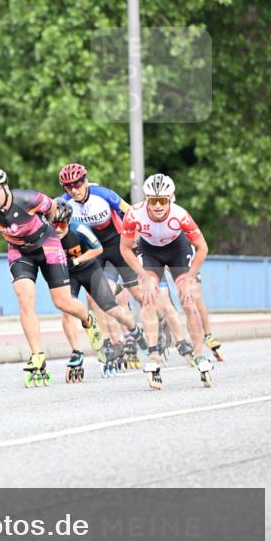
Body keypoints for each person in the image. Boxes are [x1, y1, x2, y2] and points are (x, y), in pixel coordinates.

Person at [0, 167, 101, 387]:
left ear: (5, 188)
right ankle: (37, 356)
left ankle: (88, 320)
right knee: (24, 300)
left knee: (62, 302)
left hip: (48, 245)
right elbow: (8, 231)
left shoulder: (30, 199)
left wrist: (60, 228)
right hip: (20, 252)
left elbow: (56, 211)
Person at [119, 173, 213, 390]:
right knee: (149, 297)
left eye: (163, 200)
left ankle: (199, 355)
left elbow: (203, 247)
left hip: (177, 248)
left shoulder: (180, 215)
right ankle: (153, 355)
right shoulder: (134, 214)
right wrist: (143, 276)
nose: (158, 205)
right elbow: (125, 248)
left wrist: (190, 278)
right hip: (150, 251)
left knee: (189, 301)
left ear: (171, 198)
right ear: (147, 200)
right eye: (153, 200)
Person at [51, 199, 148, 375]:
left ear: (68, 220)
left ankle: (135, 329)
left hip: (89, 269)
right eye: (53, 224)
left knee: (111, 309)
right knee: (67, 309)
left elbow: (98, 249)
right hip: (68, 275)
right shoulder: (46, 234)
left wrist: (78, 259)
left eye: (61, 224)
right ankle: (76, 352)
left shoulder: (78, 228)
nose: (57, 228)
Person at [58, 163, 141, 307]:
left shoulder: (103, 194)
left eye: (77, 184)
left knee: (137, 292)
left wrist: (134, 238)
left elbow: (131, 213)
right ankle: (127, 329)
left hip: (116, 243)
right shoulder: (64, 201)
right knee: (94, 299)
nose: (73, 190)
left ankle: (160, 322)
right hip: (92, 248)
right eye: (68, 186)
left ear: (86, 181)